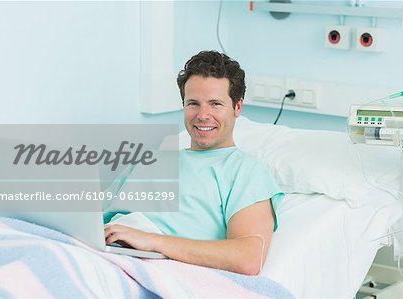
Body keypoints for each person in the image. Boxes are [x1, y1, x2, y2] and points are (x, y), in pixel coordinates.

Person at [104, 50, 284, 275]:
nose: (202, 115)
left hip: (147, 267)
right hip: (102, 252)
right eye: (193, 104)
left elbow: (248, 258)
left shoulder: (244, 171)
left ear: (237, 107)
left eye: (215, 104)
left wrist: (153, 241)